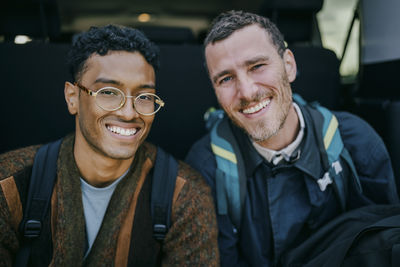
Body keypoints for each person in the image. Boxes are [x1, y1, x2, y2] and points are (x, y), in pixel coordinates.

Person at [185, 10, 399, 266]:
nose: (247, 92)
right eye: (226, 78)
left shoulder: (355, 141)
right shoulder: (207, 168)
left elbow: (383, 238)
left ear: (289, 66)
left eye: (257, 66)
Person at [0, 24, 219, 266]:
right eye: (108, 92)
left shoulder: (185, 195)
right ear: (72, 98)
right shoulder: (9, 183)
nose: (128, 113)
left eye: (144, 97)